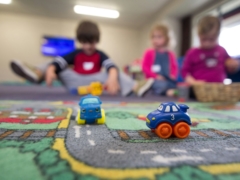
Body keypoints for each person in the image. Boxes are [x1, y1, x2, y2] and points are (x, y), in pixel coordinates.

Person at [10, 21, 153, 97]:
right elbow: (59, 62)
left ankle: (136, 87)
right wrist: (52, 69)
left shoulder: (100, 54)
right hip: (74, 81)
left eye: (91, 42)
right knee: (53, 63)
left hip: (95, 82)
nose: (88, 46)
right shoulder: (76, 53)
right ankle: (37, 73)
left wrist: (112, 77)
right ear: (79, 41)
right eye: (84, 42)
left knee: (114, 70)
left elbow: (111, 66)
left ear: (97, 40)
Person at [182, 15, 240, 85]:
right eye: (203, 39)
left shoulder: (222, 50)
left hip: (219, 89)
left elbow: (230, 70)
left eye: (211, 39)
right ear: (198, 35)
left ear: (217, 36)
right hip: (198, 90)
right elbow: (185, 72)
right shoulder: (192, 53)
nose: (207, 43)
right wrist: (194, 82)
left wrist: (234, 66)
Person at [142, 24, 178, 96]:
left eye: (159, 37)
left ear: (166, 39)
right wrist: (156, 76)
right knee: (156, 84)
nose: (155, 40)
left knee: (175, 84)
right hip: (153, 79)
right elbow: (145, 68)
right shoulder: (149, 52)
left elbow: (174, 67)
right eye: (153, 37)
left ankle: (164, 91)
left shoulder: (170, 54)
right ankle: (163, 91)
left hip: (166, 79)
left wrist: (173, 75)